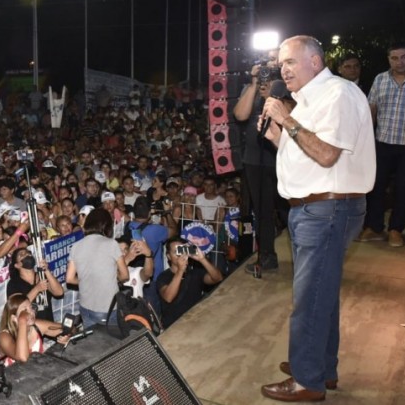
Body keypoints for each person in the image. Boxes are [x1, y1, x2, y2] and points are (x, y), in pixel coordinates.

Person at [258, 35, 375, 401]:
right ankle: (321, 367)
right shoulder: (309, 99)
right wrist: (278, 135)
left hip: (328, 208)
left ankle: (307, 380)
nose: (283, 70)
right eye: (281, 63)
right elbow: (305, 151)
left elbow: (326, 155)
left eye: (290, 61)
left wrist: (286, 118)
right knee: (321, 292)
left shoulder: (337, 94)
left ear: (314, 60)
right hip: (314, 208)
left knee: (309, 298)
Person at [358, 42, 405, 248]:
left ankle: (396, 229)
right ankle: (374, 228)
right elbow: (371, 111)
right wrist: (364, 140)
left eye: (404, 57)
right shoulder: (380, 79)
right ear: (388, 59)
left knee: (403, 188)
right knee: (376, 186)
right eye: (394, 58)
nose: (399, 62)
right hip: (382, 143)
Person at [234, 52, 284, 271]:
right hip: (255, 159)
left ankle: (305, 255)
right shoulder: (251, 88)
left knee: (287, 209)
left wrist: (273, 93)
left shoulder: (285, 88)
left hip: (282, 157)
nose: (267, 70)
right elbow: (240, 115)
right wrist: (254, 83)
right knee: (262, 210)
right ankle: (266, 256)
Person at [65, 209, 139, 328]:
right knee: (113, 339)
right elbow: (125, 276)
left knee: (92, 339)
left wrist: (87, 280)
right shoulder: (112, 244)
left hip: (85, 307)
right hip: (107, 308)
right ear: (107, 226)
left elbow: (69, 279)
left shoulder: (76, 246)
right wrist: (113, 277)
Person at [156, 238, 223, 327]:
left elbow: (218, 278)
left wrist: (202, 259)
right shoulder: (163, 277)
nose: (180, 255)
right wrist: (180, 270)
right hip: (174, 326)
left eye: (182, 250)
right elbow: (168, 297)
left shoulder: (195, 273)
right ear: (168, 256)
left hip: (196, 323)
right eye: (176, 252)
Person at [0, 294, 69, 366]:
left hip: (37, 371)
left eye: (31, 308)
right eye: (25, 311)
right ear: (14, 318)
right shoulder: (4, 336)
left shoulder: (37, 325)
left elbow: (69, 327)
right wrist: (22, 321)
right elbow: (23, 357)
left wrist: (67, 336)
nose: (31, 312)